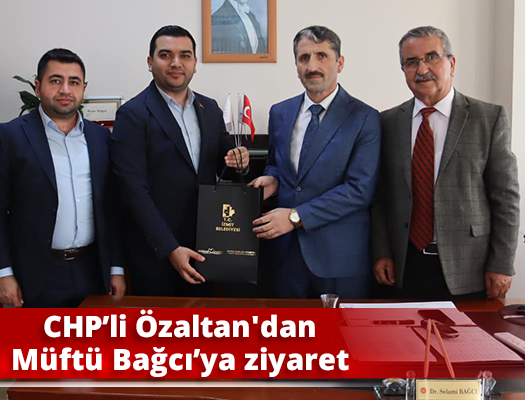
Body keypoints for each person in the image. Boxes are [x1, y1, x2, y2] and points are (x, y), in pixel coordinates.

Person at [371, 26, 519, 299]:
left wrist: (502, 264)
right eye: (411, 62)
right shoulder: (387, 122)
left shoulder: (488, 118)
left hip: (471, 268)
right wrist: (382, 252)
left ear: (451, 63)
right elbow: (380, 197)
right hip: (405, 265)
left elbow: (506, 198)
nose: (422, 69)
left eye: (431, 57)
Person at [111, 25, 249, 296]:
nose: (176, 63)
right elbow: (133, 192)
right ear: (150, 62)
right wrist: (170, 248)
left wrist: (240, 162)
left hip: (207, 249)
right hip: (156, 254)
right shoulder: (132, 114)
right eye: (166, 55)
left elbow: (225, 168)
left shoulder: (210, 109)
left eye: (185, 55)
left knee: (204, 322)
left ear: (195, 63)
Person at [0, 48, 125, 308]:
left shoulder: (101, 138)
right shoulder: (9, 136)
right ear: (38, 87)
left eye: (74, 82)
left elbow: (110, 209)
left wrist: (116, 268)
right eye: (56, 80)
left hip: (92, 271)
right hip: (36, 274)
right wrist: (3, 273)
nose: (65, 90)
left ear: (83, 89)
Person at [250, 26, 380, 299]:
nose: (312, 66)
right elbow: (276, 164)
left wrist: (295, 217)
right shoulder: (280, 112)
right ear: (296, 66)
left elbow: (359, 190)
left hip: (339, 259)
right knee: (289, 327)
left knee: (341, 328)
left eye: (322, 56)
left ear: (340, 63)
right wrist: (272, 178)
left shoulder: (365, 117)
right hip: (285, 255)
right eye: (304, 58)